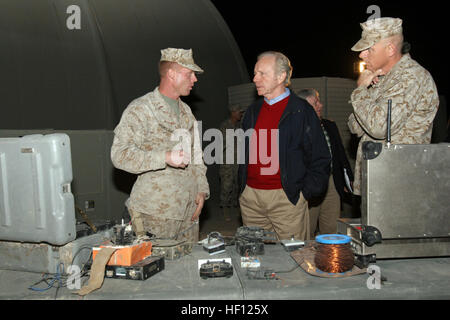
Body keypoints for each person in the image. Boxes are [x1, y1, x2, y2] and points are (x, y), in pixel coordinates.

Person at [111, 48, 210, 243]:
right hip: (155, 213)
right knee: (158, 271)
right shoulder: (141, 109)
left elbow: (196, 155)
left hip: (188, 213)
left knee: (186, 269)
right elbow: (119, 155)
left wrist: (201, 189)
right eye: (189, 74)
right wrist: (164, 157)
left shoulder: (186, 111)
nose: (194, 79)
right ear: (171, 74)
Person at [238, 51, 331, 240]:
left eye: (262, 73)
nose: (255, 79)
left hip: (287, 198)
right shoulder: (252, 111)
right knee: (255, 257)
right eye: (255, 73)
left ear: (281, 77)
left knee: (292, 259)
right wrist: (243, 189)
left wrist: (304, 193)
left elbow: (320, 156)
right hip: (251, 198)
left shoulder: (302, 110)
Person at [348, 17, 439, 196]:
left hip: (399, 182)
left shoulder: (411, 77)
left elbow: (378, 127)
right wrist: (367, 93)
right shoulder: (382, 80)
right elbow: (355, 126)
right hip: (378, 179)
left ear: (390, 49)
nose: (362, 55)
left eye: (369, 49)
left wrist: (360, 91)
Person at [297, 88, 354, 238]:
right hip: (309, 183)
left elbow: (340, 153)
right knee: (306, 230)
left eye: (319, 101)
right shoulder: (296, 129)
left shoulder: (329, 125)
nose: (320, 105)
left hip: (332, 182)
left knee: (331, 227)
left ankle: (328, 258)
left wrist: (348, 179)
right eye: (316, 103)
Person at [219, 103, 246, 222]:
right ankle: (225, 208)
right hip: (228, 161)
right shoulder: (225, 126)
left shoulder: (240, 126)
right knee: (227, 186)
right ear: (233, 112)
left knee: (237, 185)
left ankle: (235, 207)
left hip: (238, 161)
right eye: (239, 112)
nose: (241, 114)